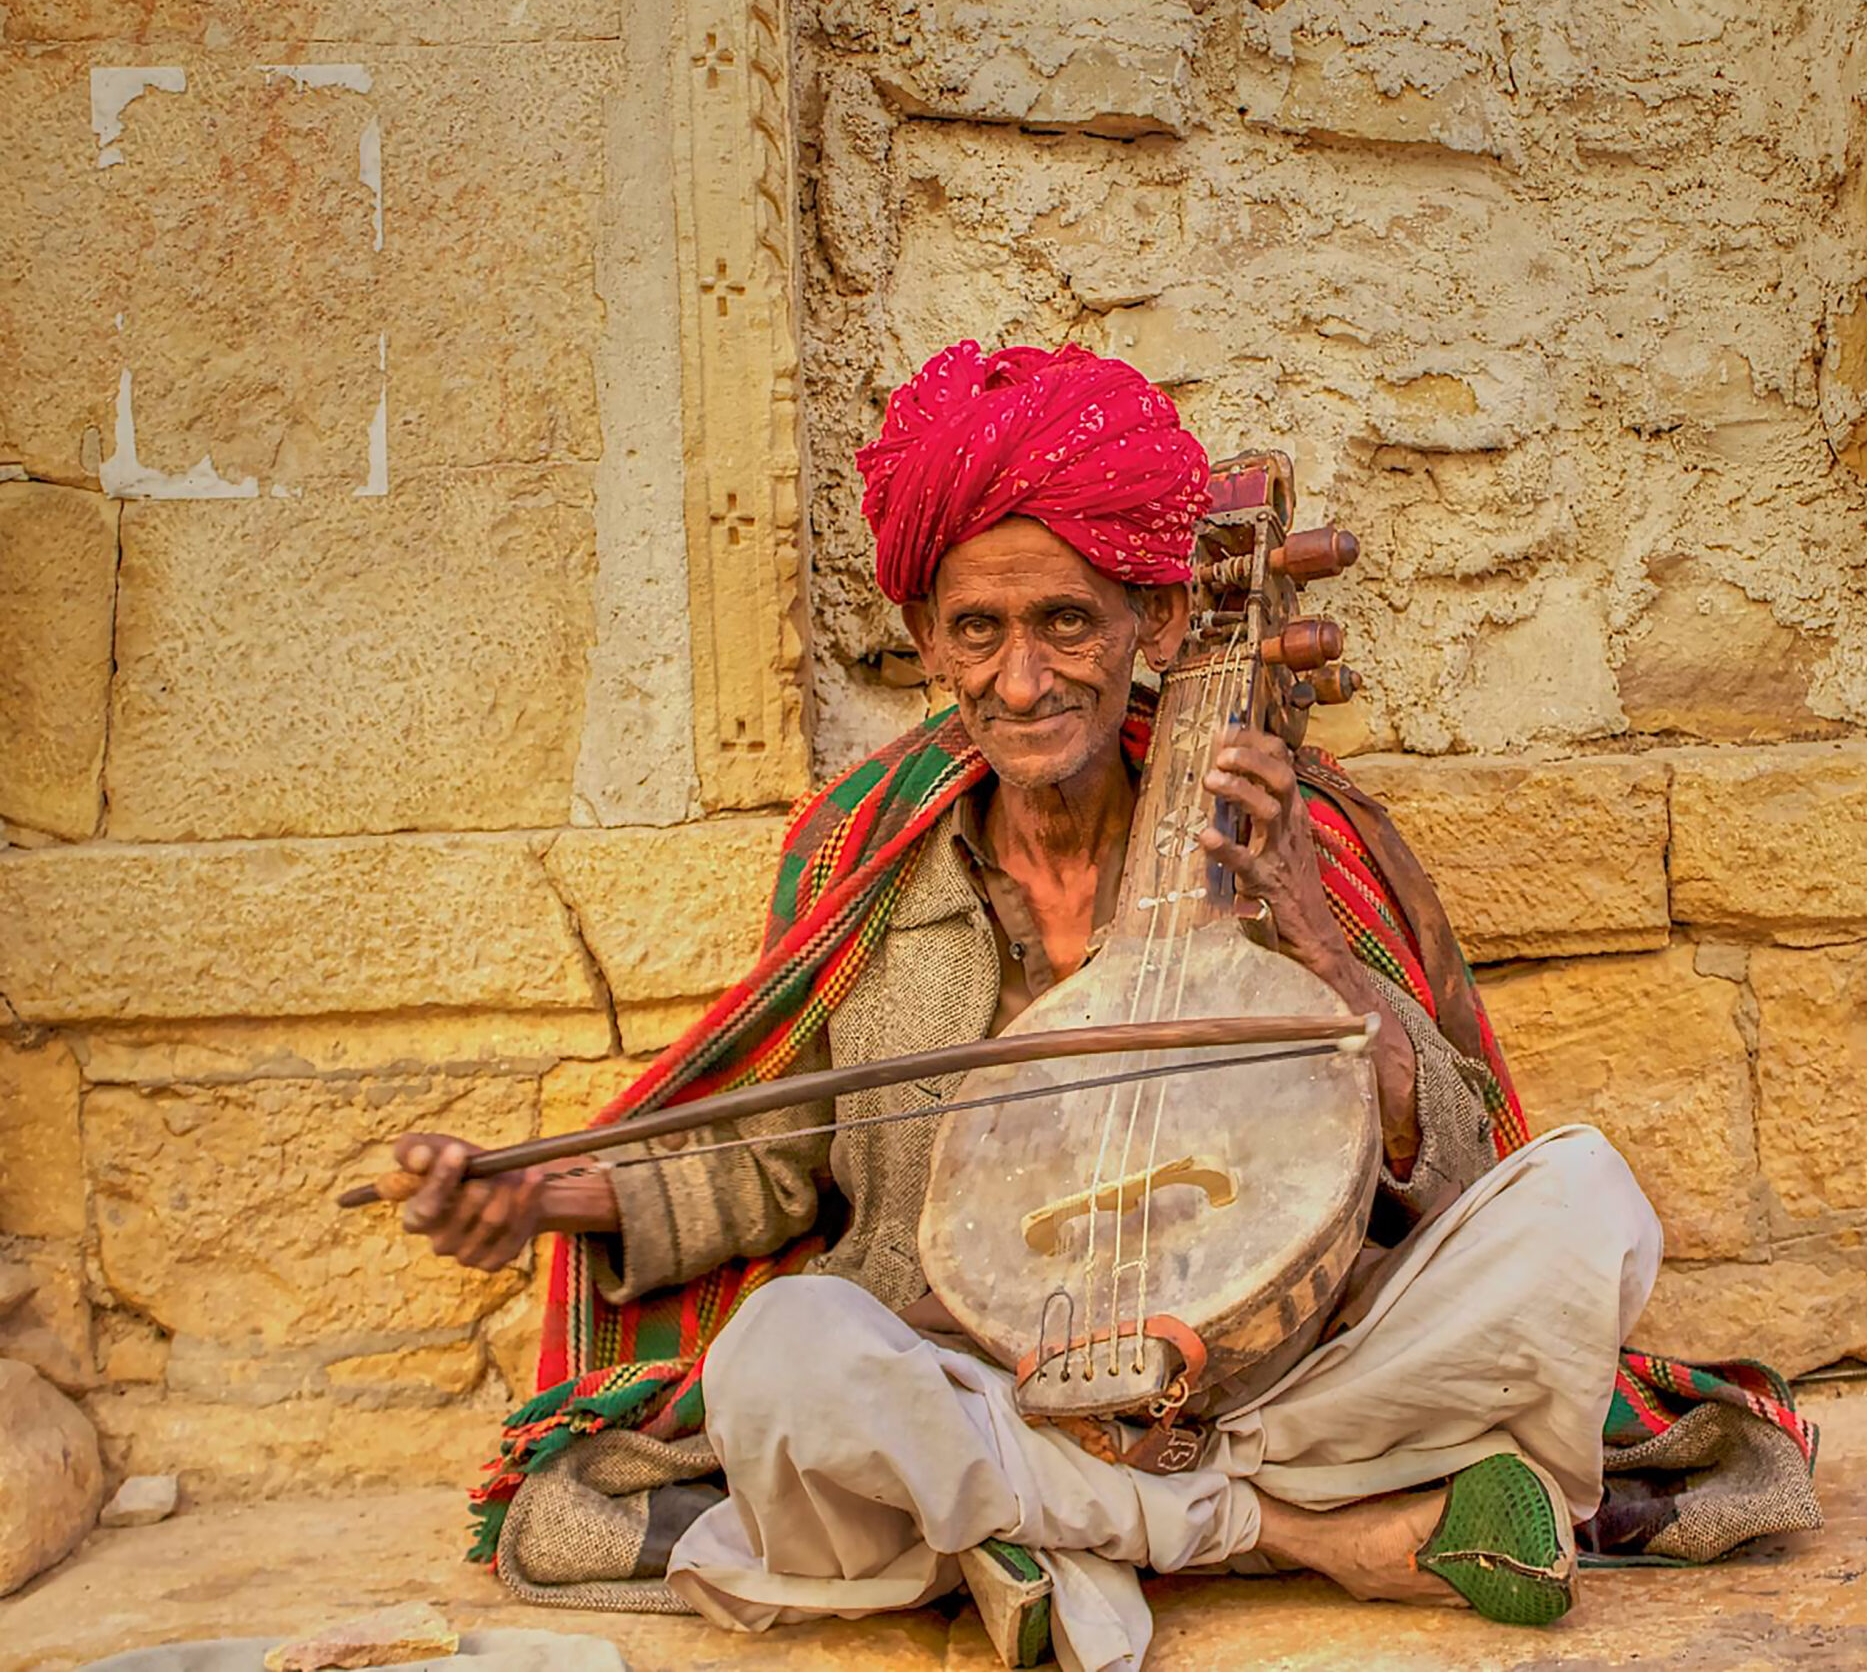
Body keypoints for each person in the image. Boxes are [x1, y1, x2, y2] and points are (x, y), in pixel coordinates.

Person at [384, 344, 1689, 1670]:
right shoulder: (868, 859)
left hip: (1284, 1377)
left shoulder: (1279, 828)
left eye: (1066, 621)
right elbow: (773, 1160)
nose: (1022, 680)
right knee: (780, 1357)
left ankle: (1045, 1533)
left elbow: (1463, 1162)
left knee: (1589, 1209)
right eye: (979, 630)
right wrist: (542, 1197)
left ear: (1157, 624)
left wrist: (1320, 945)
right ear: (928, 642)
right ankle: (1302, 1534)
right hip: (986, 1378)